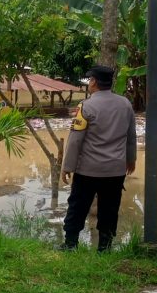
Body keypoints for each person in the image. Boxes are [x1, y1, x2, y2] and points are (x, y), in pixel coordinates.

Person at [57, 65, 137, 252]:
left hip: (88, 170)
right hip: (115, 170)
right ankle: (104, 247)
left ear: (93, 82)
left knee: (78, 206)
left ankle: (70, 244)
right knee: (110, 208)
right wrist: (131, 160)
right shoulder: (125, 104)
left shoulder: (86, 106)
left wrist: (67, 166)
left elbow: (75, 140)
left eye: (90, 80)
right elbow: (131, 135)